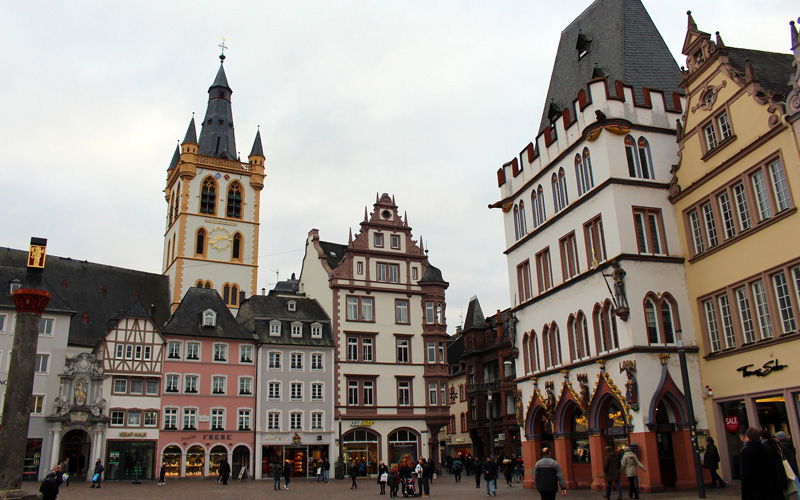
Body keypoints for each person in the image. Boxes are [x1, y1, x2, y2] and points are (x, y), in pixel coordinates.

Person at [741, 427, 783, 500]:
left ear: (748, 437)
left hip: (753, 488)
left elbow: (745, 474)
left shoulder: (746, 451)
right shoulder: (766, 448)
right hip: (767, 487)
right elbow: (772, 468)